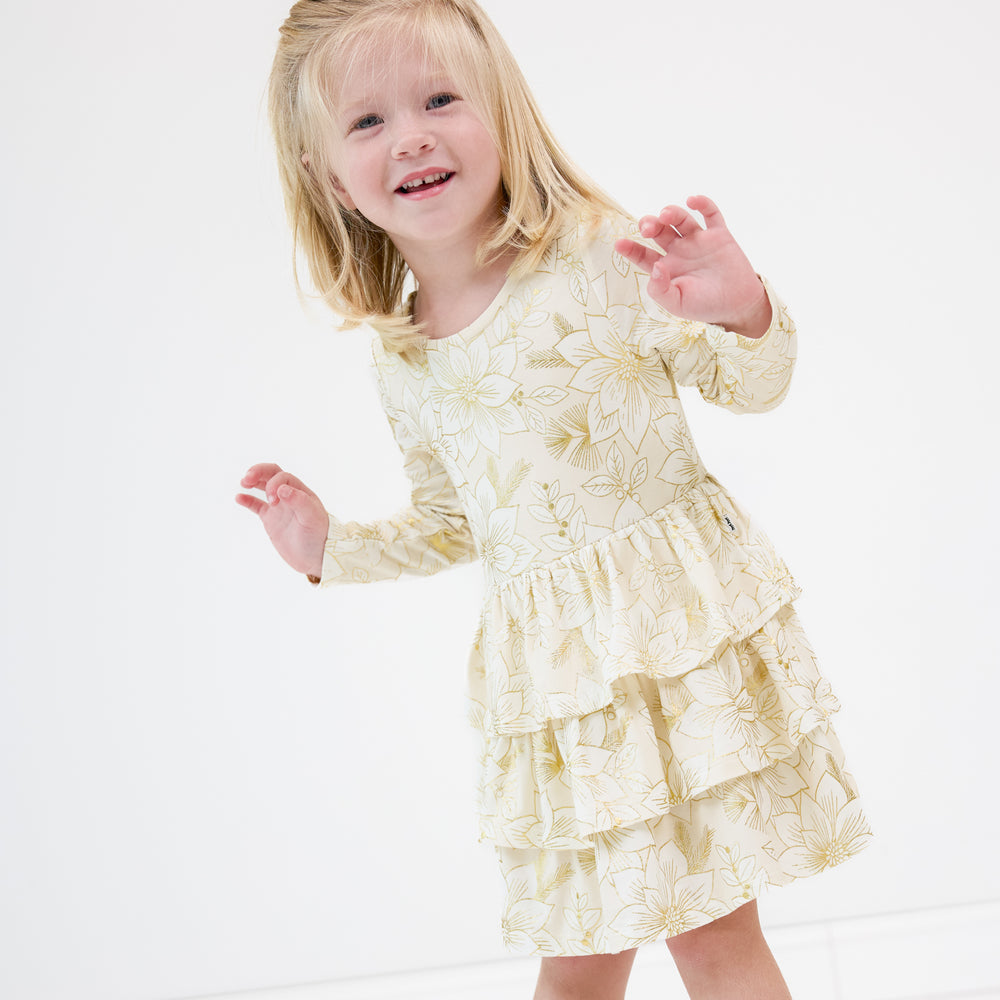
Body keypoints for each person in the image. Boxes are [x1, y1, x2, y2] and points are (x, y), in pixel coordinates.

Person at [236, 2, 872, 996]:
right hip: (563, 696)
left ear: (500, 114)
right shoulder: (404, 356)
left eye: (441, 99)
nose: (411, 134)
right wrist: (329, 547)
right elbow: (452, 522)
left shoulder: (595, 260)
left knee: (710, 940)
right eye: (366, 123)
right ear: (329, 179)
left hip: (672, 652)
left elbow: (751, 386)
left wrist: (739, 308)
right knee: (579, 957)